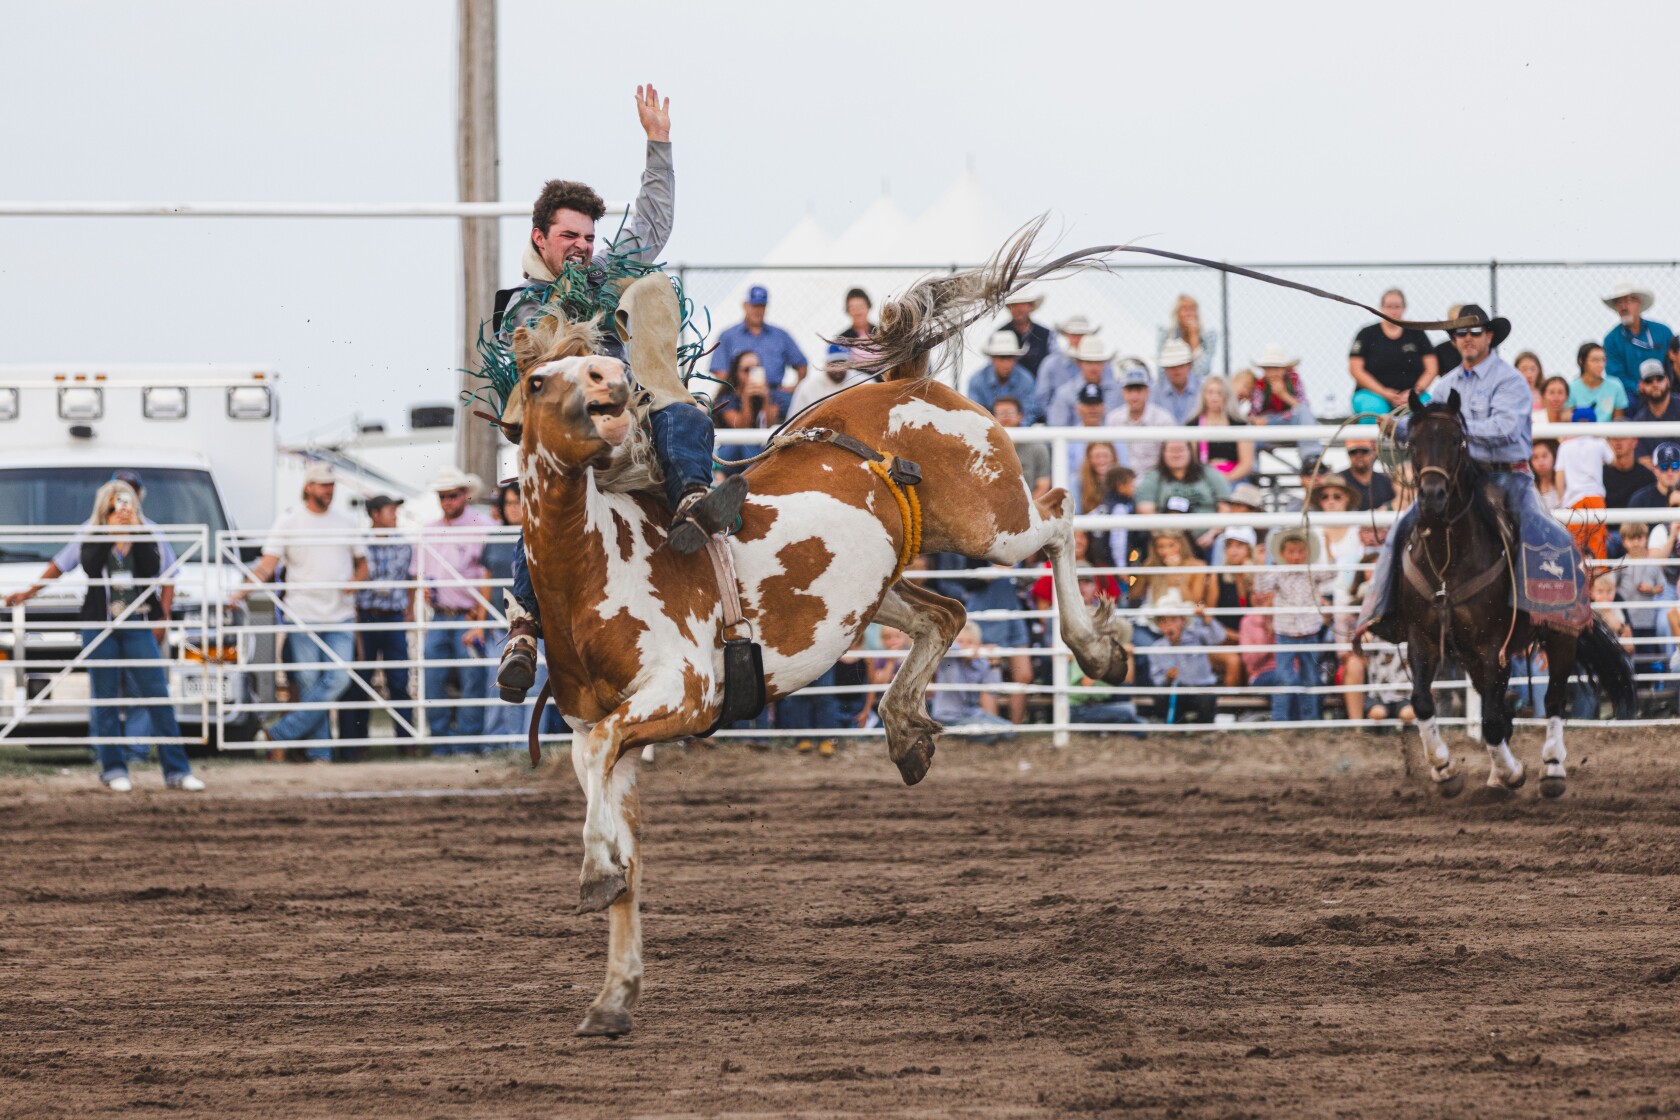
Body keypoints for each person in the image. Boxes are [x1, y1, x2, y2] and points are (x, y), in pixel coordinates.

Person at [495, 87, 746, 696]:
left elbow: (649, 229)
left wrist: (659, 146)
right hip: (566, 444)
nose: (582, 246)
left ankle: (691, 501)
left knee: (683, 408)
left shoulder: (607, 274)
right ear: (540, 239)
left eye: (588, 236)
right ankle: (524, 630)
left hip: (626, 427)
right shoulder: (523, 306)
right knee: (547, 512)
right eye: (569, 236)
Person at [1357, 306, 1591, 643]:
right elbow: (1430, 429)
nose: (1466, 338)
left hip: (1508, 475)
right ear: (1453, 340)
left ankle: (1556, 617)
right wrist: (1401, 427)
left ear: (1489, 336)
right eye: (1459, 333)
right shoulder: (1444, 387)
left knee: (1544, 531)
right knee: (1402, 528)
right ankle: (1383, 612)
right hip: (1460, 480)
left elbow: (1506, 428)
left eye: (1474, 332)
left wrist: (1456, 430)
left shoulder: (1510, 381)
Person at [6, 480, 203, 792]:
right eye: (113, 506)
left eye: (125, 504)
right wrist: (29, 592)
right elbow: (79, 564)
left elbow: (159, 569)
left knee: (156, 694)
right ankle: (113, 769)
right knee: (105, 696)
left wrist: (135, 533)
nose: (121, 511)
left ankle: (177, 770)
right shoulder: (92, 531)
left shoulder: (147, 531)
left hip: (138, 622)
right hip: (101, 623)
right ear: (104, 508)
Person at [235, 464, 367, 761]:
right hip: (303, 614)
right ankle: (320, 752)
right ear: (309, 486)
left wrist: (356, 581)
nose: (328, 490)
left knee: (339, 678)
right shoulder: (289, 521)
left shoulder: (346, 522)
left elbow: (363, 564)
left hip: (340, 614)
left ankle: (282, 733)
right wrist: (239, 592)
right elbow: (266, 565)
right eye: (323, 485)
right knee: (309, 681)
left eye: (331, 485)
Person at [414, 467, 493, 753]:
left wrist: (481, 611)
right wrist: (424, 589)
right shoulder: (429, 531)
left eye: (452, 495)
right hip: (440, 613)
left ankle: (467, 743)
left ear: (464, 495)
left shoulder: (484, 527)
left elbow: (490, 574)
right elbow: (420, 572)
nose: (447, 501)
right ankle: (441, 741)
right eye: (443, 496)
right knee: (433, 678)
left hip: (469, 614)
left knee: (473, 678)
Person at [338, 495, 414, 751]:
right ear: (375, 514)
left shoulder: (402, 544)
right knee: (359, 681)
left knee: (398, 680)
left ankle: (406, 741)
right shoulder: (360, 543)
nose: (395, 515)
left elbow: (409, 580)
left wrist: (409, 610)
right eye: (389, 510)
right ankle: (355, 743)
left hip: (392, 616)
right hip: (364, 616)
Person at [1255, 527, 1332, 724]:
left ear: (1307, 553)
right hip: (1286, 633)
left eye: (1300, 551)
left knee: (1310, 678)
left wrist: (1328, 548)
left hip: (1309, 632)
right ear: (1282, 554)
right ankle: (1280, 720)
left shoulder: (1311, 571)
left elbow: (1332, 572)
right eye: (1291, 551)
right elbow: (1261, 587)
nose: (1296, 556)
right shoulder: (1278, 573)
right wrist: (1260, 562)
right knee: (1284, 678)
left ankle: (1310, 719)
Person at [1347, 289, 1438, 417]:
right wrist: (1383, 392)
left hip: (1412, 395)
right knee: (1374, 411)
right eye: (1389, 306)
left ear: (1404, 308)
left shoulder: (1417, 333)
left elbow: (1432, 368)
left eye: (1397, 306)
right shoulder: (1367, 334)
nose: (1393, 311)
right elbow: (1355, 369)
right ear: (1381, 308)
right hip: (1372, 394)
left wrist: (1414, 392)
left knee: (1424, 414)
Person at [1143, 590, 1221, 724]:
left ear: (1183, 621)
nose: (1169, 626)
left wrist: (1207, 619)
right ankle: (1178, 725)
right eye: (1164, 622)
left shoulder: (1197, 636)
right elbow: (1157, 679)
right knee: (1161, 696)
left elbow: (1218, 637)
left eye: (1173, 620)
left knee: (1207, 698)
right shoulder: (1156, 649)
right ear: (1159, 625)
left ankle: (1203, 728)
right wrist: (1167, 678)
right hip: (1177, 692)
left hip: (1201, 689)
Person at [711, 284, 808, 388]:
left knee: (797, 402)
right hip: (738, 394)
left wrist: (794, 388)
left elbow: (802, 364)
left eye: (761, 306)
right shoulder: (728, 336)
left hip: (775, 394)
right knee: (723, 402)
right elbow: (719, 370)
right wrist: (736, 390)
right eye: (754, 306)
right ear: (745, 305)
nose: (758, 310)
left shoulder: (780, 336)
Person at [928, 623, 1015, 735]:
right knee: (990, 735)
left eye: (970, 642)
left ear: (977, 645)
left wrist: (994, 663)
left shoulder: (980, 662)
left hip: (973, 713)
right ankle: (950, 735)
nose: (965, 645)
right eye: (960, 641)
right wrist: (964, 650)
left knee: (1010, 730)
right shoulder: (948, 659)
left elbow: (993, 690)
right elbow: (943, 646)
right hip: (948, 716)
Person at [714, 350, 787, 475]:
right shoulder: (727, 398)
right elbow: (742, 428)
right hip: (730, 451)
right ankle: (762, 476)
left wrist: (765, 400)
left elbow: (769, 424)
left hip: (758, 449)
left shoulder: (771, 395)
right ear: (736, 372)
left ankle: (761, 475)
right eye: (746, 370)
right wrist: (746, 399)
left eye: (756, 368)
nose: (751, 374)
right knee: (747, 444)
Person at [1601, 280, 1674, 403]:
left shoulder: (1663, 332)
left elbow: (1674, 364)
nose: (1623, 307)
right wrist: (1639, 388)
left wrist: (1661, 385)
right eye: (1619, 303)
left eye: (1628, 301)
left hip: (1664, 391)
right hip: (1631, 396)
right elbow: (1615, 375)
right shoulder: (1611, 340)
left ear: (1639, 304)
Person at [1557, 407, 1613, 560]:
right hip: (1595, 498)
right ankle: (1600, 579)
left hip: (1573, 501)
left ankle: (1576, 580)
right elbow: (1612, 459)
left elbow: (1559, 476)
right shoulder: (1599, 443)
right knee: (1598, 545)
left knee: (1575, 547)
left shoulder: (1565, 446)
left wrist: (1562, 501)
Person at [1104, 364, 1175, 475]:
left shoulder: (1163, 420)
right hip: (1121, 478)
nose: (1134, 395)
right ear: (1123, 393)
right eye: (1129, 390)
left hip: (1155, 478)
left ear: (1148, 392)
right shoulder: (1113, 419)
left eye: (1139, 390)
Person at [1134, 440, 1230, 517]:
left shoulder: (1208, 472)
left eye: (1180, 450)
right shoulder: (1153, 476)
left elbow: (1225, 506)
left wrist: (1213, 533)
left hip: (1209, 536)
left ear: (1190, 451)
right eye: (1172, 450)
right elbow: (1145, 509)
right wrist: (1166, 535)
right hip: (1165, 536)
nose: (1176, 455)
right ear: (1163, 453)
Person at [1036, 315, 1104, 419]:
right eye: (1074, 335)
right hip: (1060, 420)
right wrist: (1057, 414)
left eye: (1082, 335)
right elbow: (1042, 400)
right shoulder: (1051, 364)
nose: (1078, 339)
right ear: (1066, 335)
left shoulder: (1104, 366)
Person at [1046, 335, 1122, 428]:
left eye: (1098, 362)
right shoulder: (1064, 394)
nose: (1094, 368)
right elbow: (1057, 427)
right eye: (1089, 362)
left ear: (1104, 364)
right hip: (1075, 442)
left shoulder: (1118, 392)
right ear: (1079, 363)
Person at [1188, 376, 1254, 481]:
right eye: (1210, 393)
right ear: (1203, 395)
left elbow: (1246, 463)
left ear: (1227, 396)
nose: (1214, 398)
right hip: (1203, 479)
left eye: (1219, 393)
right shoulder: (1193, 425)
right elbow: (1191, 461)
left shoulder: (1239, 424)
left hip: (1234, 479)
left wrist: (1226, 479)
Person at [965, 330, 1039, 420]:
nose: (1006, 363)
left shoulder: (1026, 380)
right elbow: (975, 414)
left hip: (1019, 431)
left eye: (1010, 357)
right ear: (992, 358)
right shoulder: (977, 381)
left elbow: (1030, 413)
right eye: (1002, 357)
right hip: (989, 431)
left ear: (1016, 359)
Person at [787, 344, 870, 416]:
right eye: (833, 363)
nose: (838, 368)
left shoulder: (864, 382)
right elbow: (794, 420)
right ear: (826, 363)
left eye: (842, 363)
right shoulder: (808, 386)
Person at [992, 397, 1050, 498]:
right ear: (992, 417)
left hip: (1030, 506)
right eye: (1000, 413)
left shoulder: (1037, 446)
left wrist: (1028, 509)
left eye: (1010, 413)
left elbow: (1043, 485)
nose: (1005, 417)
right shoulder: (986, 447)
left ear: (1020, 416)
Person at [1628, 358, 1680, 468]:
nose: (1655, 384)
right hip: (1657, 480)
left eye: (1659, 379)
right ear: (1641, 386)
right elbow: (1643, 459)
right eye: (1649, 381)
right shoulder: (1639, 421)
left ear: (1667, 380)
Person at [1158, 293, 1219, 381]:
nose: (1189, 314)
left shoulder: (1209, 336)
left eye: (1193, 309)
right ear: (1176, 313)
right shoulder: (1166, 335)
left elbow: (1202, 371)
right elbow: (1161, 371)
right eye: (1185, 309)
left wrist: (1194, 337)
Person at [996, 285, 1053, 376]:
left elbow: (1054, 363)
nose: (1018, 309)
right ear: (1009, 308)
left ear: (1031, 307)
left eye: (1022, 304)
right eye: (1014, 305)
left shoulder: (1046, 334)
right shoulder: (1000, 334)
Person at [1569, 342, 1626, 422]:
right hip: (1580, 434)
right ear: (1581, 361)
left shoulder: (1615, 386)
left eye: (1603, 360)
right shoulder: (1571, 388)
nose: (1601, 364)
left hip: (1608, 434)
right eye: (1595, 360)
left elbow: (1618, 421)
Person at [1151, 339, 1203, 426]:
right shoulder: (1154, 390)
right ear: (1165, 369)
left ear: (1190, 365)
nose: (1177, 370)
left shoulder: (1203, 388)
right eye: (1172, 366)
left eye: (1181, 365)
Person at [1340, 435, 1395, 511]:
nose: (1359, 456)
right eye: (1353, 452)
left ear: (1374, 452)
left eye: (1364, 451)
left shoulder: (1386, 482)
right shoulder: (1339, 481)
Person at [1604, 435, 1655, 512]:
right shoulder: (1599, 476)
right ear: (1607, 442)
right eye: (1613, 438)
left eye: (1623, 437)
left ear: (1635, 441)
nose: (1618, 442)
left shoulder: (1647, 476)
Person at [1630, 442, 1680, 509]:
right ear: (1655, 469)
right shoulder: (1640, 500)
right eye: (1664, 466)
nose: (1670, 471)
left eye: (1675, 465)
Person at [1530, 439, 1564, 511]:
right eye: (1535, 457)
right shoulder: (1530, 487)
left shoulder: (1564, 484)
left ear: (1554, 457)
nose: (1540, 461)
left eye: (1544, 456)